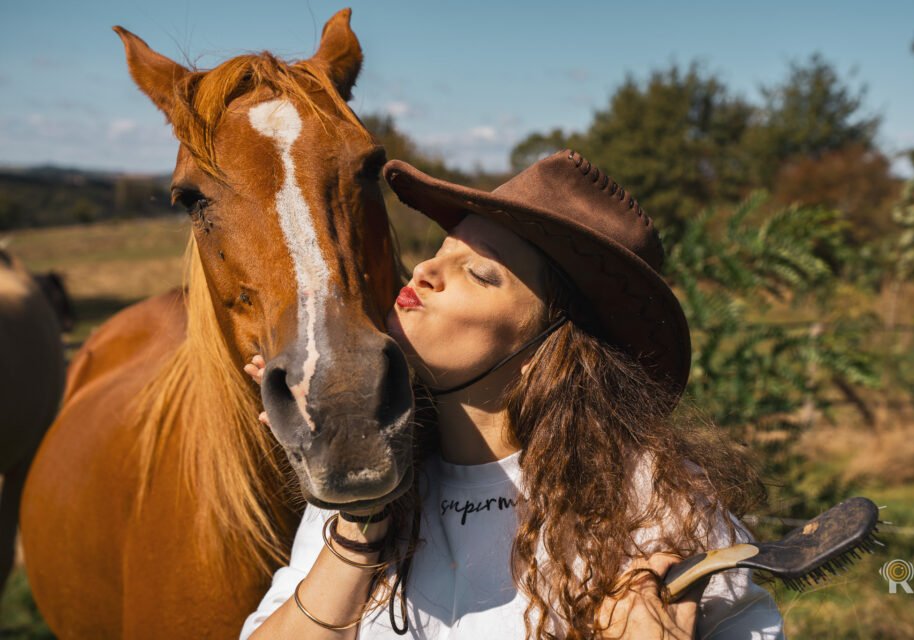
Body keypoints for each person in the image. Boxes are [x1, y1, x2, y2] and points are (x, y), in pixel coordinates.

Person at [240, 150, 785, 639]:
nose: (425, 271)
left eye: (477, 273)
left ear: (554, 343)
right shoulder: (379, 473)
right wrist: (362, 525)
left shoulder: (654, 502)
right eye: (437, 252)